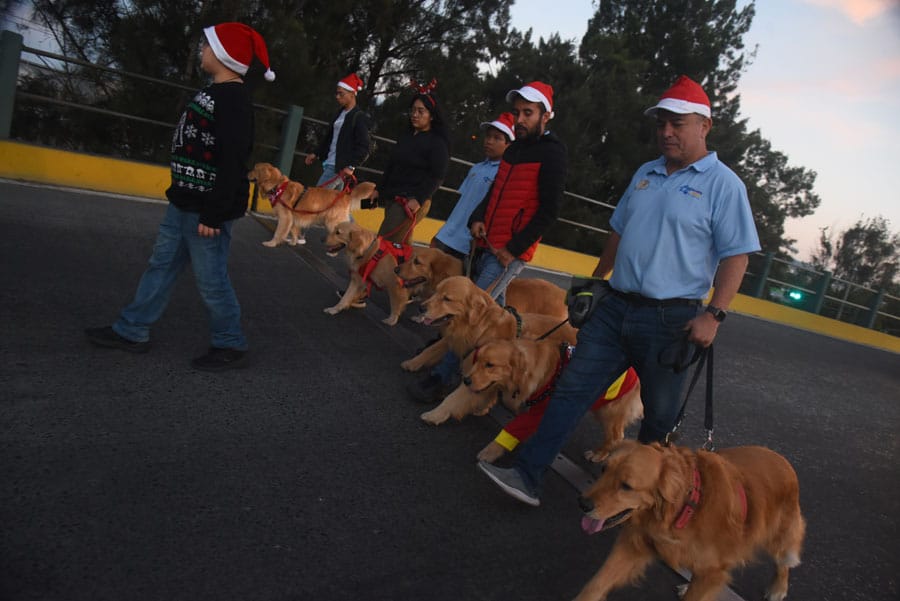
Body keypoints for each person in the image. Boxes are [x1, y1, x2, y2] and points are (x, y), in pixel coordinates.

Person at [478, 75, 761, 506]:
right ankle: (526, 474)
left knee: (659, 420)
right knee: (572, 389)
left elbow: (736, 256)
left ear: (705, 126)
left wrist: (714, 314)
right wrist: (593, 284)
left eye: (677, 124)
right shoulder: (646, 172)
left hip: (672, 320)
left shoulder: (724, 184)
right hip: (614, 308)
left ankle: (646, 507)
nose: (666, 131)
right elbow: (617, 230)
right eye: (662, 123)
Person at [85, 22, 275, 371]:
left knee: (211, 280)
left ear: (225, 55)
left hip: (206, 212)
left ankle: (229, 343)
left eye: (207, 45)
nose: (202, 50)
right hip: (183, 204)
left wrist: (214, 214)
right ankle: (132, 329)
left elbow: (233, 160)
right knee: (160, 267)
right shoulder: (212, 92)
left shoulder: (234, 100)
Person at [407, 81, 567, 403]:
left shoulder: (553, 153)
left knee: (472, 313)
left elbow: (549, 211)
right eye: (517, 112)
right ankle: (493, 375)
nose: (520, 119)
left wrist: (514, 248)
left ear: (546, 115)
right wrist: (476, 218)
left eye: (528, 113)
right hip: (483, 243)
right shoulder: (515, 150)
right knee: (497, 320)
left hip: (507, 253)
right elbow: (495, 193)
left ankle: (442, 376)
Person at [374, 79, 450, 245]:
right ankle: (404, 270)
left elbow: (438, 176)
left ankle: (368, 271)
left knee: (382, 242)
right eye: (413, 110)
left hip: (411, 202)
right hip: (393, 197)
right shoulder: (406, 136)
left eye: (421, 111)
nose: (415, 114)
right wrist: (378, 190)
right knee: (401, 243)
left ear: (431, 116)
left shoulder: (437, 143)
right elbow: (391, 166)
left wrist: (419, 199)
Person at [430, 112, 515, 261]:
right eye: (488, 136)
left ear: (509, 145)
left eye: (497, 138)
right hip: (445, 236)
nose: (489, 141)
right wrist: (441, 233)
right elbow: (461, 203)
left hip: (467, 245)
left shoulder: (505, 175)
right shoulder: (476, 168)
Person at [304, 72, 371, 192]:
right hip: (330, 163)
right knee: (334, 206)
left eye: (341, 93)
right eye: (337, 93)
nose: (337, 96)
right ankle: (349, 211)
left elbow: (364, 146)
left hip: (338, 167)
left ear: (351, 94)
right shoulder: (340, 113)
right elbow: (330, 137)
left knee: (317, 197)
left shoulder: (358, 117)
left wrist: (351, 165)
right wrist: (316, 153)